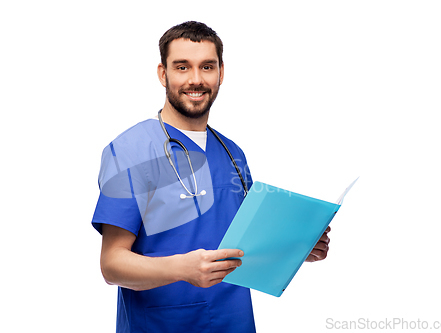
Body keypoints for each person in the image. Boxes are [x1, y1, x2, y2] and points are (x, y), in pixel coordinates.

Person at [92, 21, 330, 333]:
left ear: (220, 73)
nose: (196, 79)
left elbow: (244, 244)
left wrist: (295, 248)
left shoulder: (232, 153)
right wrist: (182, 268)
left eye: (207, 66)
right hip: (163, 325)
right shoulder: (129, 151)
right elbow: (112, 265)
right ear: (163, 74)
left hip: (235, 322)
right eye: (182, 67)